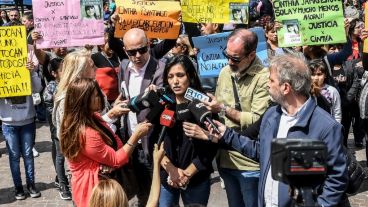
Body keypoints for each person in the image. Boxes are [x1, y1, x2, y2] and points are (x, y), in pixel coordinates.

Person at [203, 54, 348, 207]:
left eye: (271, 80)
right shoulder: (272, 115)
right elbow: (264, 152)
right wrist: (227, 134)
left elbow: (337, 178)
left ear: (286, 87)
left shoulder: (325, 127)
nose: (267, 84)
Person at [60, 78, 152, 207]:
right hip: (94, 192)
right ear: (84, 100)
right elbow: (116, 159)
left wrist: (112, 113)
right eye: (96, 95)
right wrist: (136, 136)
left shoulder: (89, 118)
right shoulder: (86, 132)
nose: (100, 97)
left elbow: (114, 144)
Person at [203, 28, 270, 207]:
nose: (229, 61)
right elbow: (217, 108)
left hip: (249, 165)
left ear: (251, 55)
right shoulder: (225, 72)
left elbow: (257, 119)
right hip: (225, 160)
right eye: (227, 55)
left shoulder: (264, 78)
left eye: (235, 58)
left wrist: (222, 108)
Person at [158, 55, 218, 206]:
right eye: (170, 76)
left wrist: (188, 173)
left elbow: (213, 144)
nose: (175, 81)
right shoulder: (163, 102)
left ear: (190, 77)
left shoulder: (204, 104)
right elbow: (153, 141)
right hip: (167, 176)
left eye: (180, 75)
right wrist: (171, 170)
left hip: (197, 178)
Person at [117, 28, 166, 206]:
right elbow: (122, 94)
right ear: (125, 51)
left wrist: (158, 95)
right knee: (140, 194)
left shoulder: (161, 69)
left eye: (142, 50)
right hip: (130, 142)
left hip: (152, 143)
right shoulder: (123, 66)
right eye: (132, 52)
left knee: (156, 195)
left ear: (149, 45)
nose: (137, 55)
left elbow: (168, 104)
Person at [0, 59, 43, 200]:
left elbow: (38, 88)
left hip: (27, 120)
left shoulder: (26, 65)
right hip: (8, 122)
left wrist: (31, 72)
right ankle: (18, 187)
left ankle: (31, 184)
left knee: (28, 155)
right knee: (14, 156)